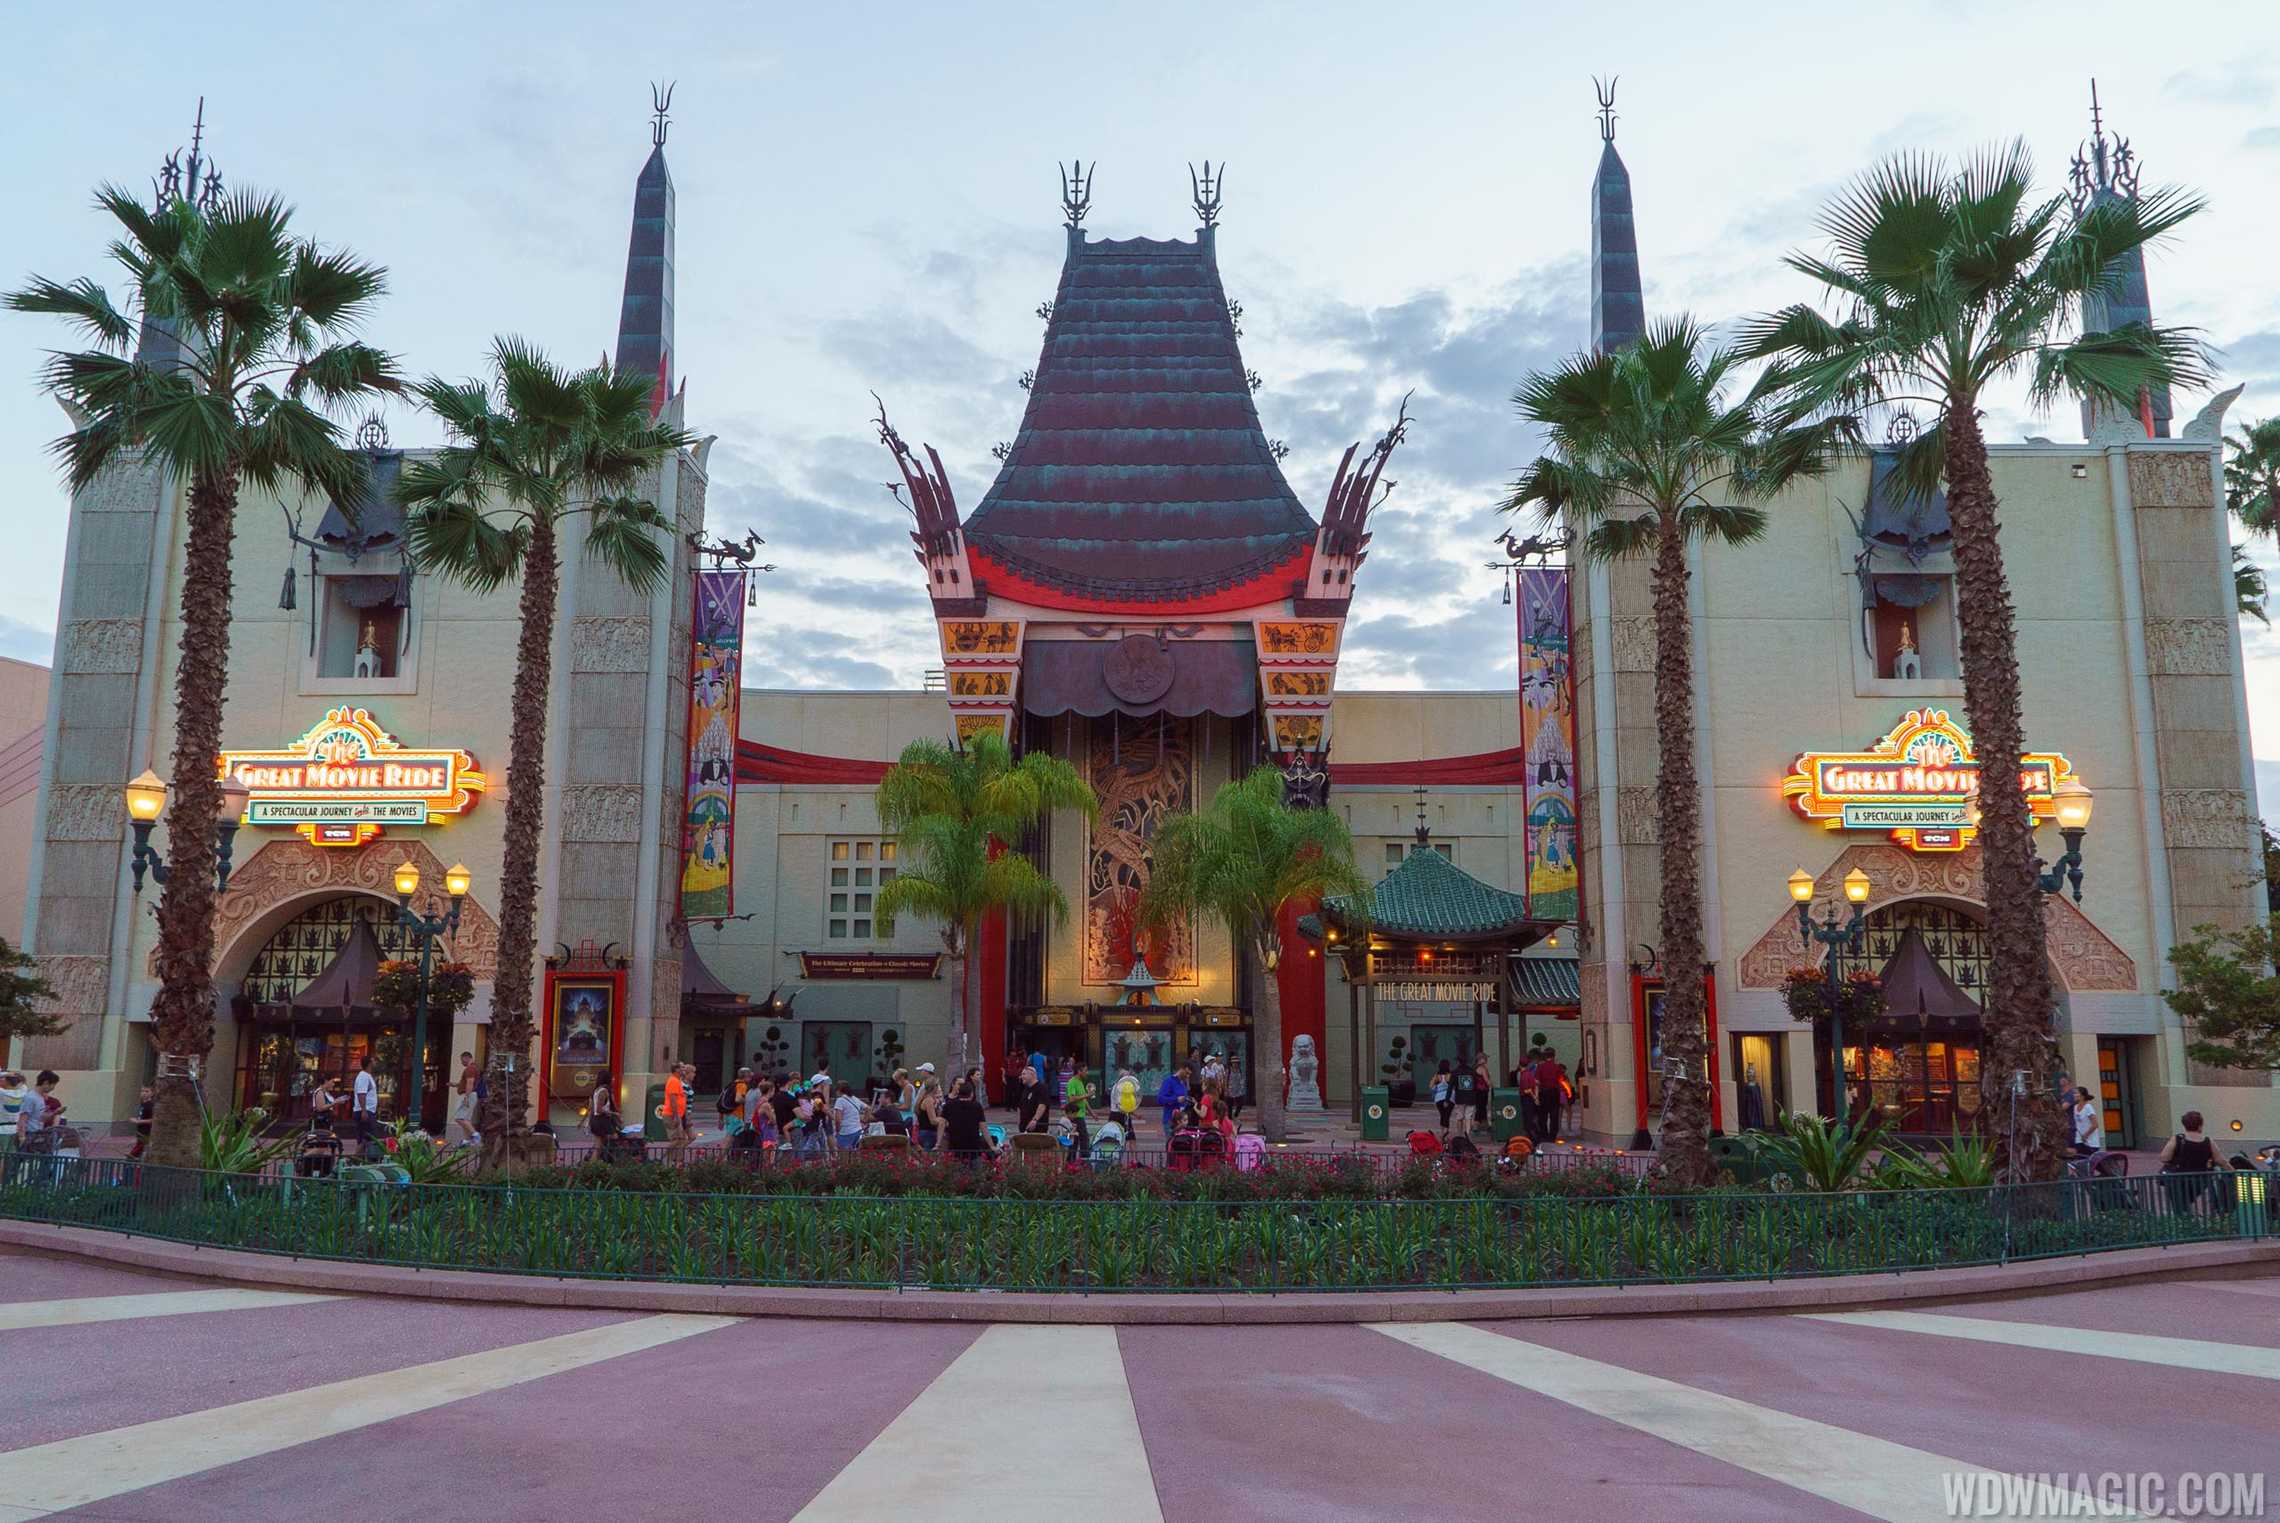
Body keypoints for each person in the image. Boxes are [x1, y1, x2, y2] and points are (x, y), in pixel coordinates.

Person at [2159, 1110, 2225, 1214]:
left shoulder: (2177, 1139)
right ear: (2200, 1125)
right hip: (2200, 1181)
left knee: (2180, 1208)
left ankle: (2185, 1223)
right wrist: (2234, 1171)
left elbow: (2164, 1158)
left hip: (2178, 1180)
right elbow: (2220, 1160)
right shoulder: (2208, 1141)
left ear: (2184, 1125)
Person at [942, 1079, 992, 1162]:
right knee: (975, 1171)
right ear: (971, 1094)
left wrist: (938, 1143)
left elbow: (942, 1124)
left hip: (955, 1145)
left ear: (959, 1092)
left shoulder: (949, 1105)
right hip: (973, 1145)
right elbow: (983, 1128)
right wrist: (991, 1145)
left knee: (957, 1169)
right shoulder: (976, 1106)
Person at [661, 1062, 690, 1161]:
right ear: (677, 1070)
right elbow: (673, 1100)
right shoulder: (673, 1081)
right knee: (676, 1139)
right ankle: (663, 1159)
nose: (684, 1070)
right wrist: (676, 1116)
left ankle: (675, 1161)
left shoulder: (677, 1081)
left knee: (681, 1139)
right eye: (682, 1068)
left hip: (676, 1115)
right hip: (671, 1115)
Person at [451, 1052, 481, 1145]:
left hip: (468, 1095)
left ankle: (476, 1135)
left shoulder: (470, 1069)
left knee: (459, 1117)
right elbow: (467, 1083)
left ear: (466, 1058)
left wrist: (466, 1097)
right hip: (470, 1094)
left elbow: (470, 1083)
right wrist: (456, 1085)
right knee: (466, 1119)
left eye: (461, 1060)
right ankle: (466, 1140)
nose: (461, 1062)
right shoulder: (474, 1068)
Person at [351, 1055, 379, 1147]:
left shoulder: (367, 1076)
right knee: (367, 1138)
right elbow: (361, 1094)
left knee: (366, 1139)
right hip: (365, 1112)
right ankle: (355, 1160)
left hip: (368, 1111)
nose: (376, 1063)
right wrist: (364, 1110)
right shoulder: (363, 1076)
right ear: (370, 1063)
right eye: (374, 1061)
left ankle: (358, 1160)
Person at [1156, 1067, 1189, 1145]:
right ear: (1181, 1070)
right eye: (1187, 1073)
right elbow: (1160, 1099)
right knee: (1171, 1144)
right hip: (1170, 1119)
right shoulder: (1169, 1081)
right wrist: (1176, 1099)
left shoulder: (1183, 1083)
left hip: (1182, 1120)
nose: (1188, 1076)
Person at [832, 1083, 867, 1152]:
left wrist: (837, 1131)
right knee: (854, 1153)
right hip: (858, 1130)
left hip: (845, 1132)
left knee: (843, 1155)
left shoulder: (840, 1100)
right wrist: (864, 1120)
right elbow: (868, 1108)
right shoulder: (855, 1099)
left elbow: (838, 1120)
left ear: (839, 1091)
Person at [2070, 1086, 2103, 1158]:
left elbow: (2095, 1124)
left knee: (2088, 1163)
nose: (2073, 1095)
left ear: (2082, 1096)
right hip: (2079, 1139)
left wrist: (2086, 1135)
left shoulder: (2088, 1107)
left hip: (2090, 1142)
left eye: (2076, 1093)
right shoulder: (2075, 1107)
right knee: (2079, 1160)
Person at [913, 1079, 943, 1151]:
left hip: (926, 1132)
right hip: (928, 1133)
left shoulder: (930, 1099)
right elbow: (932, 1120)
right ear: (934, 1088)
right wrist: (942, 1121)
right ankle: (938, 1144)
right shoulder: (928, 1100)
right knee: (927, 1158)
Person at [127, 1085, 154, 1159]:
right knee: (139, 1152)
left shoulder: (151, 1105)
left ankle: (131, 1163)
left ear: (152, 1093)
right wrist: (134, 1119)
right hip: (140, 1131)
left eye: (147, 1091)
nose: (144, 1093)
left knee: (134, 1153)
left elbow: (154, 1120)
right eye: (142, 1091)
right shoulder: (141, 1105)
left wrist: (139, 1121)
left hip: (147, 1132)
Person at [589, 1074, 619, 1138]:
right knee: (614, 1137)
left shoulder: (597, 1090)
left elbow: (592, 1107)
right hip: (602, 1119)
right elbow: (598, 1109)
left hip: (596, 1119)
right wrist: (615, 1113)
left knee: (599, 1139)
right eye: (612, 1078)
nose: (614, 1080)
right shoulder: (603, 1091)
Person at [1431, 1060, 1455, 1134]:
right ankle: (1446, 1130)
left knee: (1442, 1114)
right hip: (1450, 1097)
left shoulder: (1437, 1076)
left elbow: (1431, 1086)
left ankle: (1442, 1131)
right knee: (1447, 1115)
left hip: (1439, 1098)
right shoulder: (1451, 1075)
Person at [1471, 1053, 1493, 1134]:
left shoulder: (1474, 1067)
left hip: (1477, 1091)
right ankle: (1476, 1125)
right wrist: (1491, 1085)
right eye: (1485, 1058)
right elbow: (1486, 1080)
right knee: (1481, 1108)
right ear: (1481, 1059)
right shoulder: (1482, 1068)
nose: (1487, 1060)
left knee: (1481, 1108)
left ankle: (1485, 1125)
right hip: (1482, 1091)